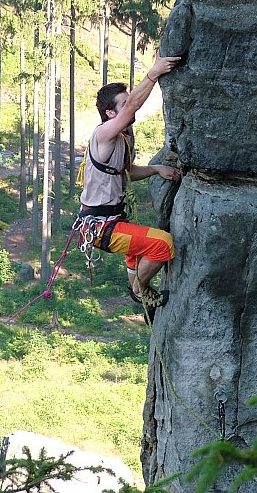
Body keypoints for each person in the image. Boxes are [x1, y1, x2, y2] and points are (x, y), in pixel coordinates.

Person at [78, 53, 182, 318]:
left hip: (108, 221)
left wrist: (157, 169)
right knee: (162, 244)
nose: (129, 108)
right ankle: (139, 291)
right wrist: (154, 73)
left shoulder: (120, 139)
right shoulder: (104, 134)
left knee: (137, 249)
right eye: (122, 105)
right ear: (110, 113)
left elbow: (127, 172)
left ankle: (137, 282)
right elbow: (134, 106)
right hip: (103, 226)